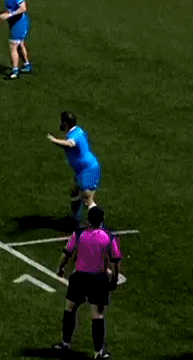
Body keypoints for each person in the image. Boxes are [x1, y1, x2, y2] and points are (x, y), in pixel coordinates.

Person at [53, 206, 121, 359]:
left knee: (70, 309)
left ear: (88, 220)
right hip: (99, 279)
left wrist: (60, 268)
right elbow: (115, 261)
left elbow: (66, 252)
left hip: (80, 278)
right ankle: (98, 353)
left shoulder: (79, 234)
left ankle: (65, 344)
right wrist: (114, 279)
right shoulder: (109, 237)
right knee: (97, 315)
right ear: (102, 220)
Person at [47, 112, 101, 230]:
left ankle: (98, 226)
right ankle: (76, 219)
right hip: (83, 170)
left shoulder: (74, 134)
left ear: (66, 124)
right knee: (74, 193)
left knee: (87, 200)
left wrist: (54, 140)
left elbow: (70, 144)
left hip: (87, 170)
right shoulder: (77, 131)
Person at [0, 0, 31, 80]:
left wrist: (10, 15)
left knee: (13, 46)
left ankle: (15, 71)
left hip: (19, 23)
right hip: (14, 23)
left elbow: (23, 8)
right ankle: (27, 66)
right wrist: (1, 16)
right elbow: (10, 9)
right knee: (20, 44)